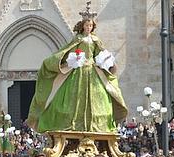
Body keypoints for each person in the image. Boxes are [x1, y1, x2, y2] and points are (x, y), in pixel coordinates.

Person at [27, 3, 128, 133]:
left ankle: (96, 124)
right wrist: (74, 59)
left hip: (93, 71)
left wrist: (106, 60)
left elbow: (101, 53)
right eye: (86, 25)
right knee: (73, 97)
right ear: (83, 26)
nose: (88, 27)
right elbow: (68, 51)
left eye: (90, 25)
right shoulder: (78, 39)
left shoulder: (96, 40)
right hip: (79, 70)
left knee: (100, 96)